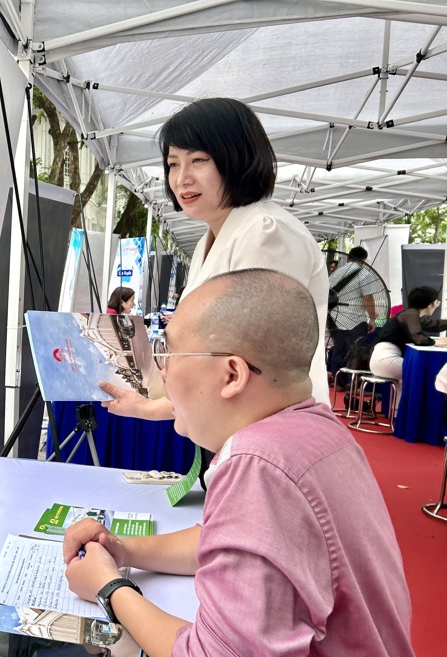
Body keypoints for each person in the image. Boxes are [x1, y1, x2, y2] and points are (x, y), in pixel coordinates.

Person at [63, 269, 421, 657]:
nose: (162, 370)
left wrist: (109, 588)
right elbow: (219, 538)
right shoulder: (314, 428)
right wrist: (122, 549)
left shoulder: (258, 462)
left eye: (169, 352)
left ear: (231, 373)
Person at [100, 98, 329, 424]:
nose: (181, 179)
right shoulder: (214, 237)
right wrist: (151, 405)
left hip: (270, 429)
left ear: (237, 159)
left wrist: (159, 404)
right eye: (173, 164)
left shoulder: (266, 232)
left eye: (198, 160)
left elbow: (251, 361)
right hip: (234, 425)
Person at [370, 285, 447, 381]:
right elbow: (419, 339)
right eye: (437, 302)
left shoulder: (410, 315)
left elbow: (434, 325)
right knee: (430, 372)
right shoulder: (411, 314)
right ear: (429, 304)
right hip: (386, 359)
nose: (437, 305)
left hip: (381, 359)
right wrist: (439, 342)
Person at [327, 246, 376, 379]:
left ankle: (337, 380)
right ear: (363, 260)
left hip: (335, 318)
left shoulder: (335, 273)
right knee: (356, 351)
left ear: (348, 257)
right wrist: (372, 318)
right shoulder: (364, 273)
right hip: (356, 319)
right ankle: (352, 382)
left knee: (338, 349)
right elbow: (368, 298)